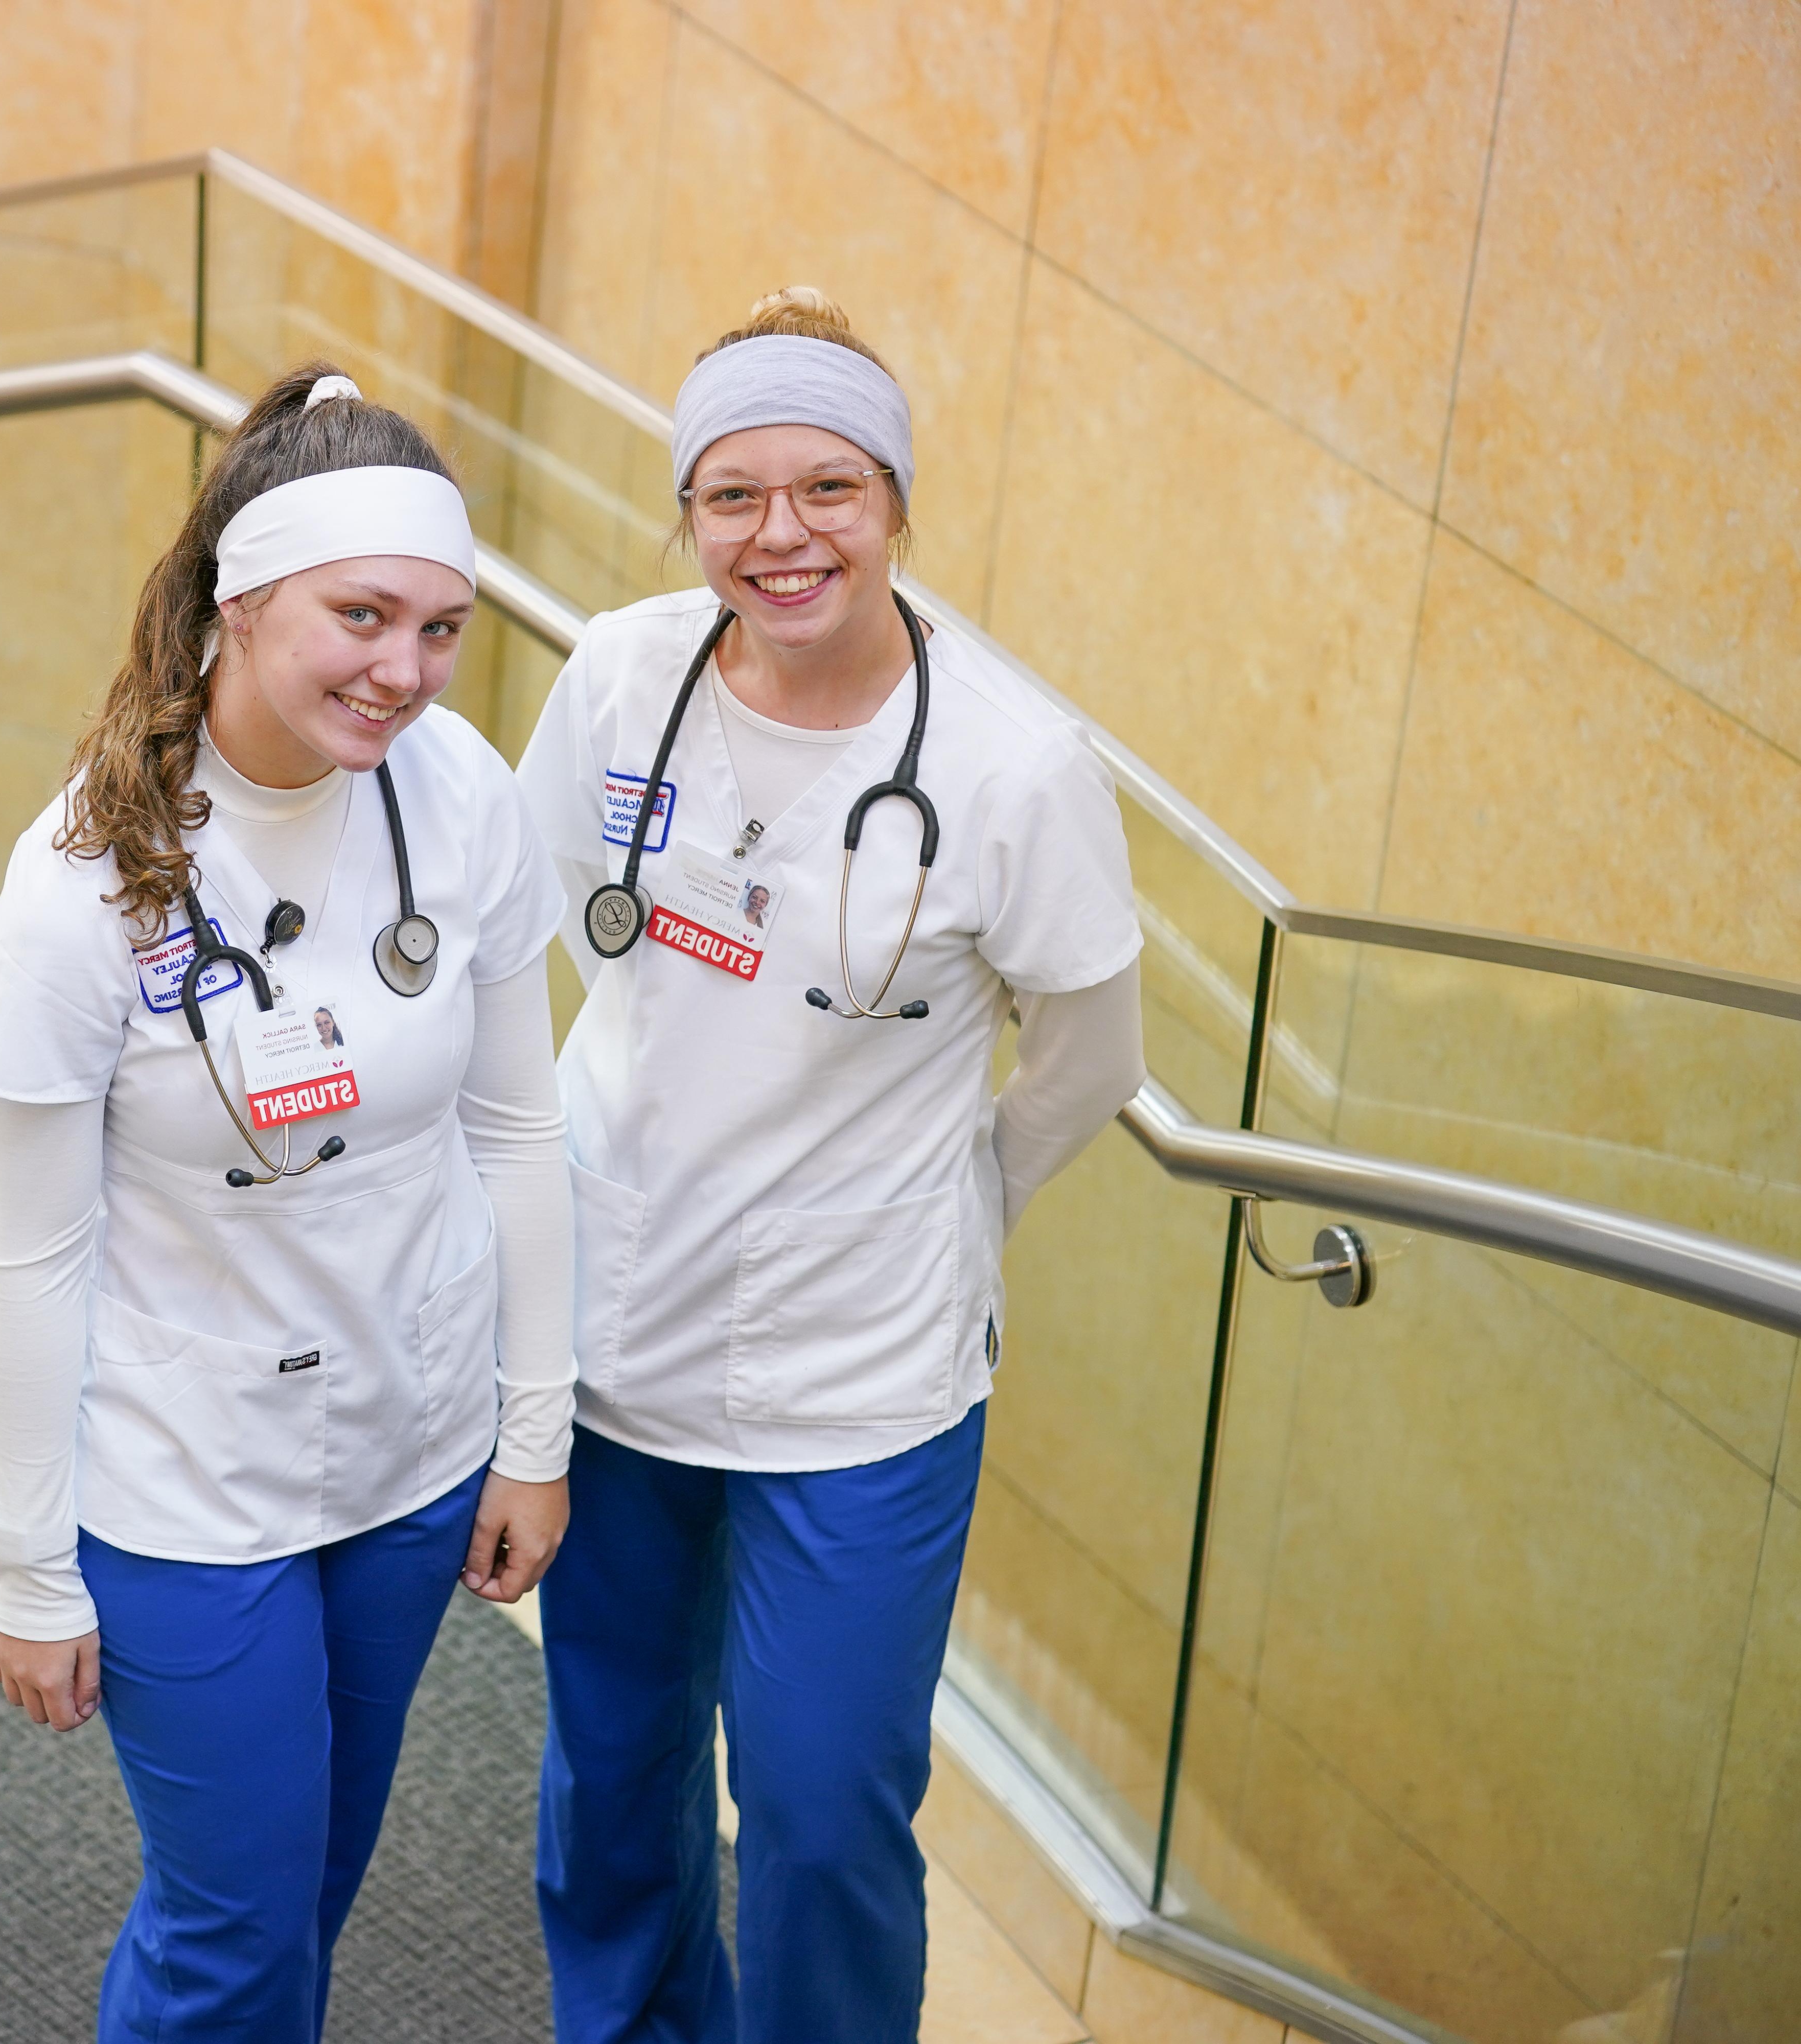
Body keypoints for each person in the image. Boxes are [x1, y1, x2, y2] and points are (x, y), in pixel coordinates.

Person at [514, 288, 1147, 2043]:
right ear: (688, 511)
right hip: (619, 1325)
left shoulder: (1015, 770)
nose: (779, 536)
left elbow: (1092, 1059)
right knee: (616, 1771)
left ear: (895, 504)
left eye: (829, 490)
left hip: (863, 1379)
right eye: (732, 495)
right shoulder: (624, 673)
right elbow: (562, 933)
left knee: (815, 1812)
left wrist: (945, 1208)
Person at [0, 363, 575, 2041]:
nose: (407, 672)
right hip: (184, 1475)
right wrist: (32, 1569)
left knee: (311, 1884)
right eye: (364, 616)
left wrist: (537, 1430)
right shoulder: (74, 902)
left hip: (412, 1439)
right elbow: (36, 1258)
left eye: (443, 628)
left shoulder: (462, 793)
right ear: (238, 602)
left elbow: (523, 1133)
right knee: (234, 1924)